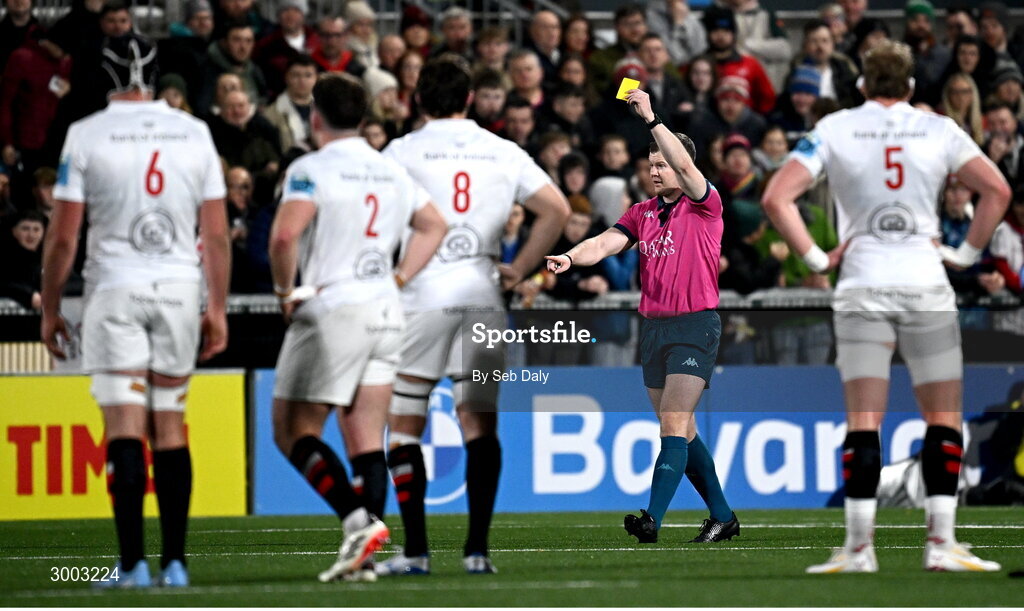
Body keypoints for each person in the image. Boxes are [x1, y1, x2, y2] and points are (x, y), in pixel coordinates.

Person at [761, 40, 1011, 573]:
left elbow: (776, 197)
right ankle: (941, 545)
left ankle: (858, 550)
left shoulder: (836, 128)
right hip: (925, 284)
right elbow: (997, 191)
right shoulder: (939, 128)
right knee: (943, 417)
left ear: (860, 86)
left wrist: (813, 257)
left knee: (862, 421)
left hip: (862, 285)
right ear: (912, 86)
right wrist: (964, 254)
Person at [39, 35, 231, 588]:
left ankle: (132, 567)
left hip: (115, 290)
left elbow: (63, 237)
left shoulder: (86, 133)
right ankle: (175, 564)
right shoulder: (194, 132)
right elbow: (214, 235)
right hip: (177, 290)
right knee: (170, 424)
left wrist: (51, 307)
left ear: (102, 74)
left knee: (125, 426)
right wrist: (216, 306)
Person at [377, 57, 569, 576]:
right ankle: (477, 551)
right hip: (483, 292)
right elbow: (557, 210)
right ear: (468, 99)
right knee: (479, 422)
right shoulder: (502, 150)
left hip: (420, 294)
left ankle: (415, 550)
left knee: (405, 424)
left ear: (419, 100)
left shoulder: (401, 151)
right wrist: (521, 268)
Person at [268, 72, 447, 582]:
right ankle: (363, 559)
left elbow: (284, 236)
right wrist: (400, 275)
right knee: (366, 437)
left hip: (335, 309)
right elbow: (435, 224)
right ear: (364, 117)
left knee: (290, 429)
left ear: (314, 115)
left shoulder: (311, 166)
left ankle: (356, 521)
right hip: (387, 310)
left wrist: (285, 293)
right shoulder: (388, 169)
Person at [546, 88, 739, 545]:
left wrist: (652, 118)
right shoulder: (642, 213)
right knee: (683, 431)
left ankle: (651, 518)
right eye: (650, 165)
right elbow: (602, 244)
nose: (654, 171)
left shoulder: (704, 206)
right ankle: (724, 516)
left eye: (661, 164)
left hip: (694, 326)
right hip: (653, 329)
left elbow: (689, 169)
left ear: (681, 165)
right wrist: (571, 258)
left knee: (673, 423)